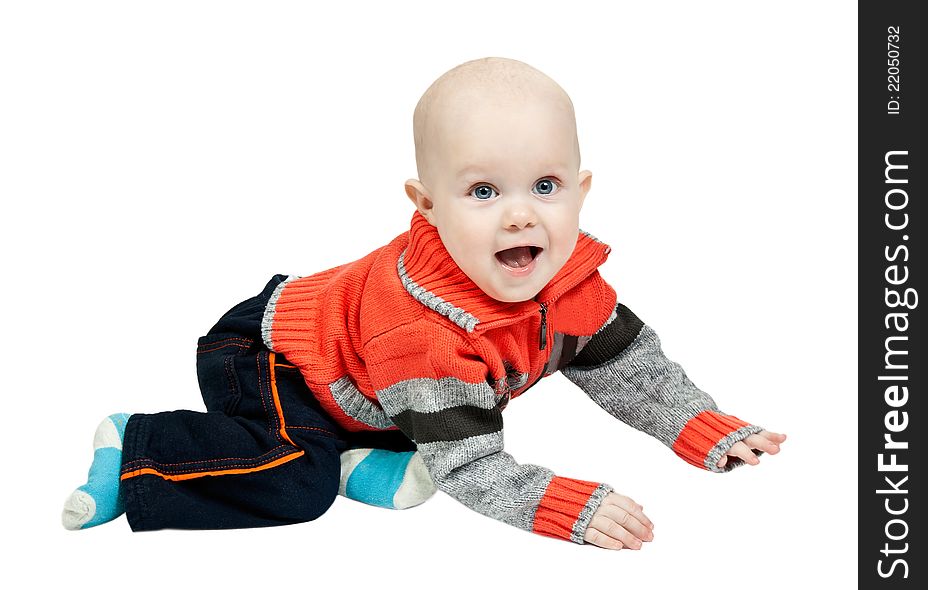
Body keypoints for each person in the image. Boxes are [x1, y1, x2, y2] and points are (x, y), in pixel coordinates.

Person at [62, 56, 786, 550]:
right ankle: (139, 448)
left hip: (371, 387)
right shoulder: (422, 332)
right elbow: (469, 464)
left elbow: (629, 367)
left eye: (544, 186)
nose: (520, 216)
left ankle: (361, 450)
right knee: (296, 482)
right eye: (482, 191)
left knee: (422, 423)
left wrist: (699, 426)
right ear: (428, 205)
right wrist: (563, 505)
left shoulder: (569, 285)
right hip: (267, 355)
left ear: (580, 189)